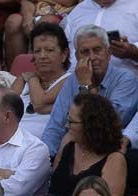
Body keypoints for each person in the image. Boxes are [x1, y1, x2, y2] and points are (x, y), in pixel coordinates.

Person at [38, 96, 126, 196]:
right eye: (68, 119)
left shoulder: (114, 159)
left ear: (91, 125)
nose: (67, 125)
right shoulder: (68, 143)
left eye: (72, 122)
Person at [42, 25, 138, 156]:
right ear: (76, 56)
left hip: (109, 152)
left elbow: (105, 125)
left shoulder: (126, 79)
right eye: (85, 52)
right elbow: (55, 126)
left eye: (97, 50)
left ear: (109, 53)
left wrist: (86, 85)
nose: (92, 57)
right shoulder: (72, 81)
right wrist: (45, 158)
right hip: (74, 151)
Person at [11, 23, 71, 140]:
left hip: (42, 146)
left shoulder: (69, 81)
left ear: (64, 54)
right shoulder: (22, 80)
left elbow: (38, 103)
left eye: (49, 50)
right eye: (37, 51)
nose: (42, 56)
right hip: (9, 140)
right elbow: (3, 110)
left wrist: (33, 79)